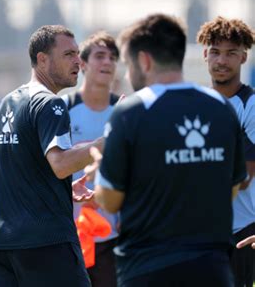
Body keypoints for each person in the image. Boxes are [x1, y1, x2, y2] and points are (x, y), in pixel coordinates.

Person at [91, 14, 247, 287]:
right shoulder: (221, 108)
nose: (127, 74)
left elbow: (110, 201)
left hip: (149, 270)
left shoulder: (131, 112)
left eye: (127, 64)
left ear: (145, 61)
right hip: (213, 269)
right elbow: (231, 188)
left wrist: (98, 172)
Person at [0, 24, 102, 287]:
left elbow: (23, 169)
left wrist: (59, 189)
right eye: (69, 54)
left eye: (78, 53)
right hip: (46, 244)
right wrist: (105, 142)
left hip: (1, 245)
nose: (78, 61)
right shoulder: (50, 103)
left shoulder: (9, 102)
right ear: (42, 59)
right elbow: (61, 164)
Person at [196, 16, 255, 287]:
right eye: (216, 52)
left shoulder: (251, 105)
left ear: (243, 57)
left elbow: (244, 177)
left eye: (231, 53)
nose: (221, 60)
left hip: (241, 231)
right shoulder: (193, 104)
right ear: (206, 54)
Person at [63, 31, 120, 287]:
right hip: (68, 236)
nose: (107, 62)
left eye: (112, 57)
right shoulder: (61, 109)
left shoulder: (125, 110)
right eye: (99, 56)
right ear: (82, 64)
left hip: (114, 235)